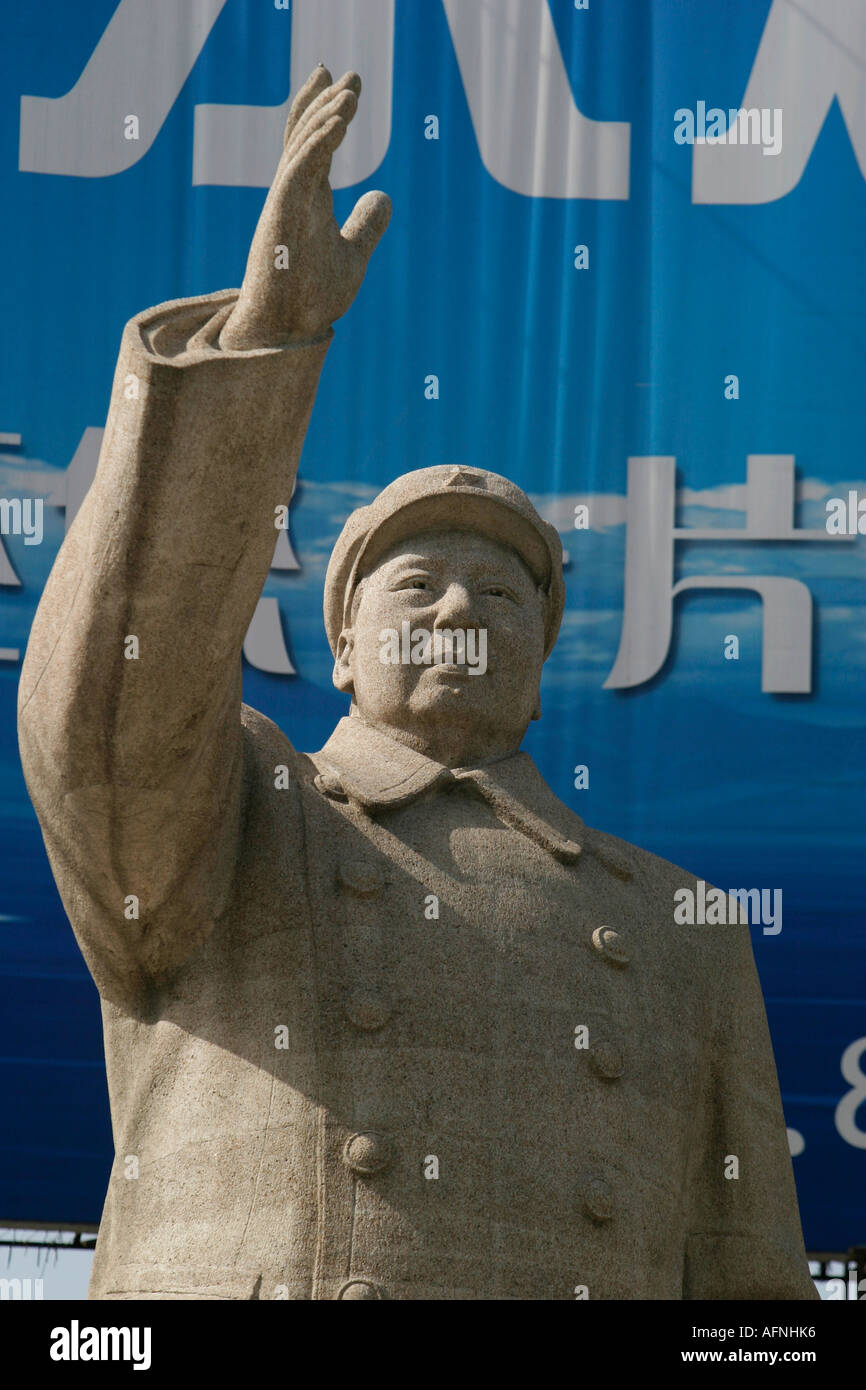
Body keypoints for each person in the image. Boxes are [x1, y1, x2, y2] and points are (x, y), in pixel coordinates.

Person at [18, 67, 816, 1301]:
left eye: (500, 594)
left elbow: (750, 1290)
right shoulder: (228, 816)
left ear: (545, 652)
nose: (459, 609)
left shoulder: (679, 928)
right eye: (417, 586)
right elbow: (104, 717)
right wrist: (264, 341)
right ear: (339, 648)